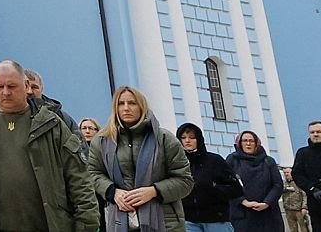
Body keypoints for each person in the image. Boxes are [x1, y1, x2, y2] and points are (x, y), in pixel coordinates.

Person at [0, 60, 97, 232]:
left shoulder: (52, 124)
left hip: (51, 224)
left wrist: (87, 224)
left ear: (26, 85)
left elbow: (78, 178)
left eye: (11, 86)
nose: (5, 93)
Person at [87, 86, 193, 232]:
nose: (126, 108)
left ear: (141, 106)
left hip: (164, 222)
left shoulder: (164, 139)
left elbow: (185, 181)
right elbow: (92, 174)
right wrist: (113, 192)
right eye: (120, 103)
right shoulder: (102, 141)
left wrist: (154, 191)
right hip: (119, 220)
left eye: (132, 103)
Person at [177, 123, 243, 232]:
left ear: (199, 139)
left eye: (192, 137)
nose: (187, 141)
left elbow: (236, 188)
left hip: (216, 219)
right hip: (189, 220)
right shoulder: (177, 163)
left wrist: (213, 190)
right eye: (183, 138)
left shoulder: (214, 160)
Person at [226, 129, 284, 232]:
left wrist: (267, 203)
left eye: (251, 141)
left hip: (268, 214)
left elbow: (277, 185)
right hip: (242, 214)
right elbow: (227, 184)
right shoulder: (232, 160)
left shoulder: (268, 161)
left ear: (256, 143)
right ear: (239, 143)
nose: (248, 143)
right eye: (245, 141)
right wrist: (243, 201)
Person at [25, 68, 79, 143]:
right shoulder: (8, 115)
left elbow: (80, 148)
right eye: (25, 86)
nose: (29, 91)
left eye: (34, 87)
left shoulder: (61, 117)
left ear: (42, 89)